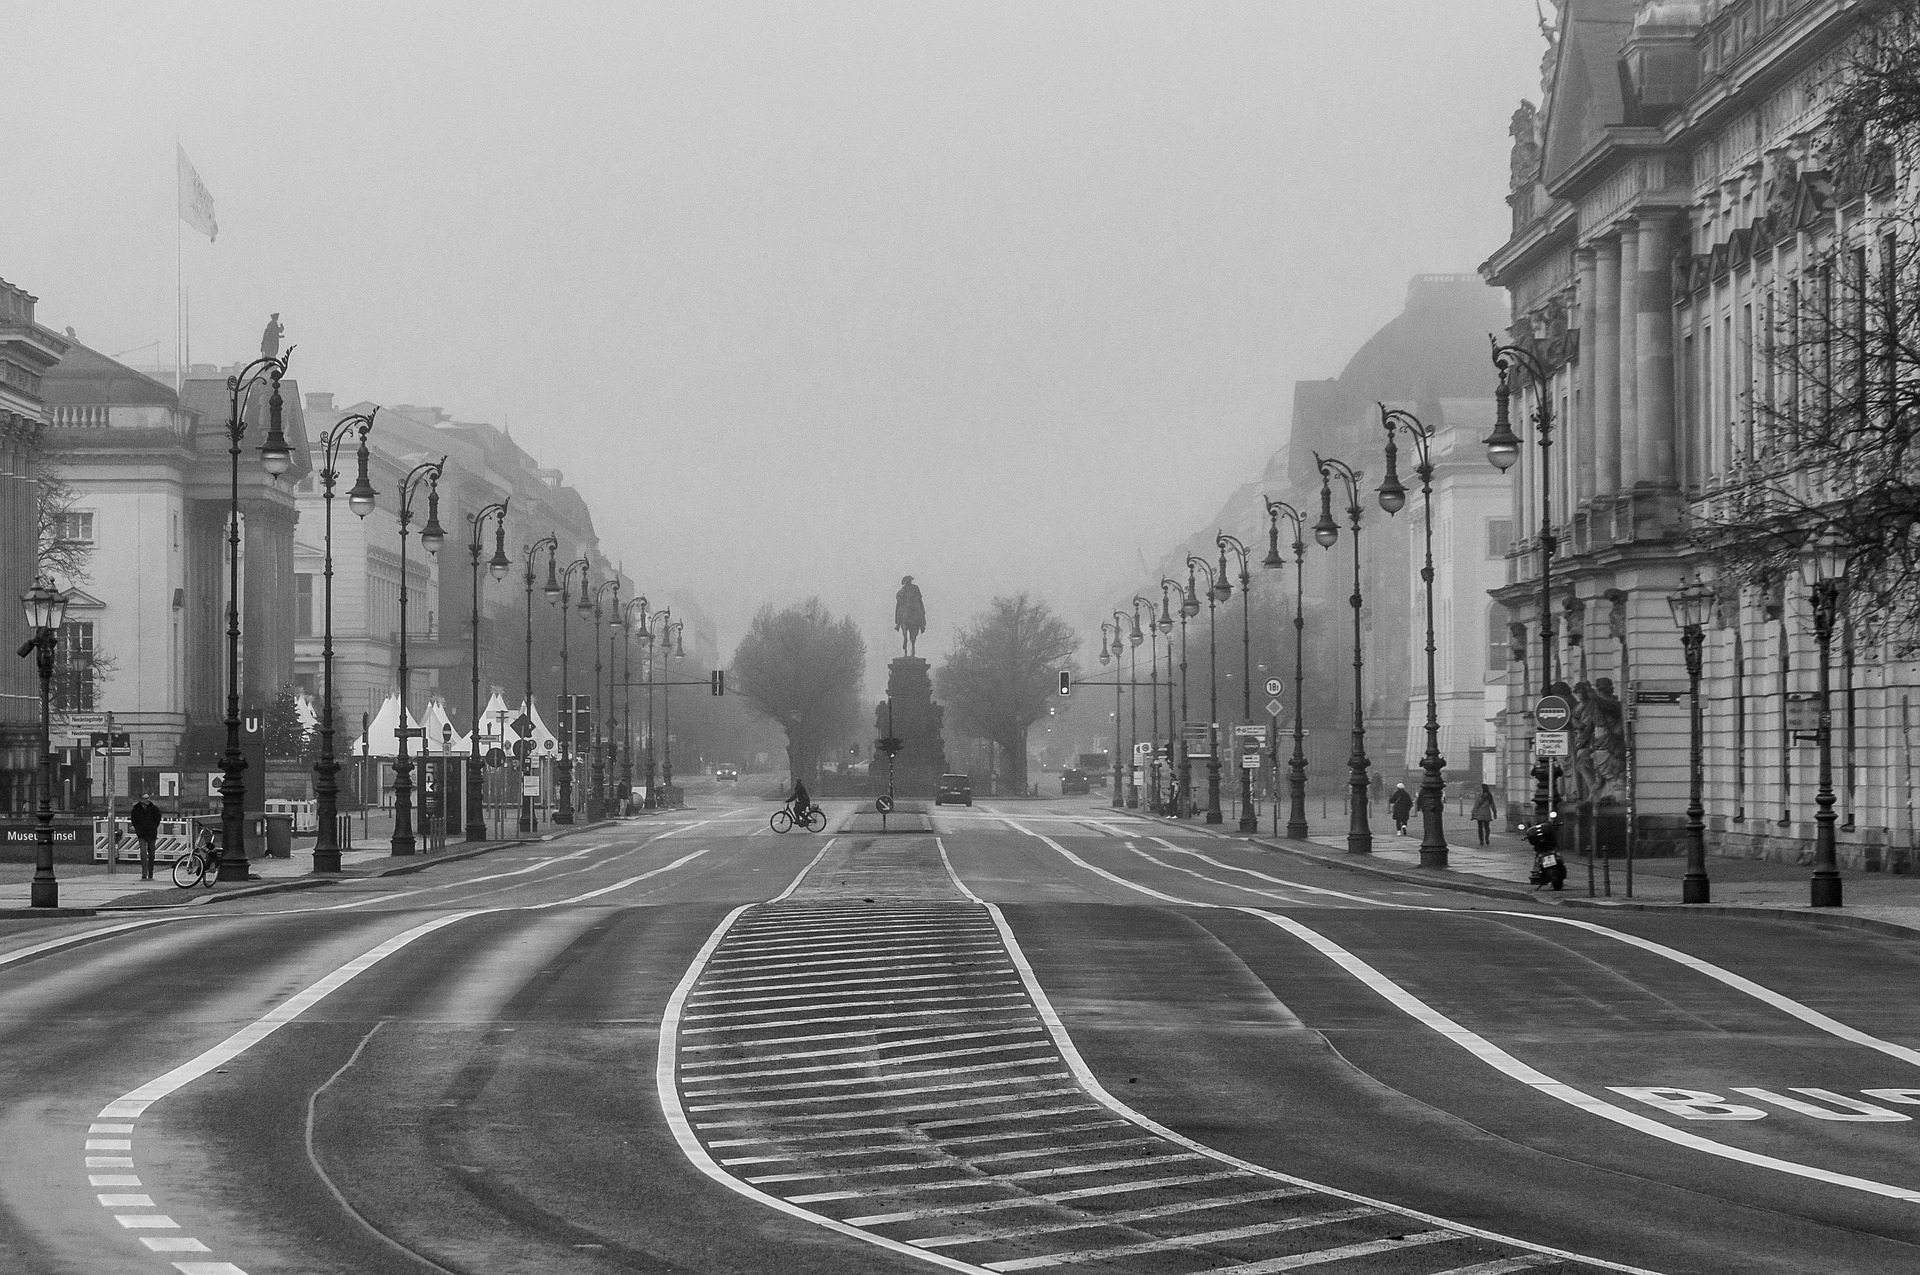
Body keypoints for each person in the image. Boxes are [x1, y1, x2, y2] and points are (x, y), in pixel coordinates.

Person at [129, 795, 163, 880]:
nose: (148, 800)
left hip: (151, 833)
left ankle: (151, 871)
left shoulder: (154, 808)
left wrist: (153, 827)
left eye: (148, 798)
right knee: (143, 851)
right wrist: (138, 828)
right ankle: (144, 872)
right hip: (142, 833)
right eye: (145, 798)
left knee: (151, 852)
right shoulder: (136, 809)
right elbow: (134, 820)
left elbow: (158, 818)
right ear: (141, 800)